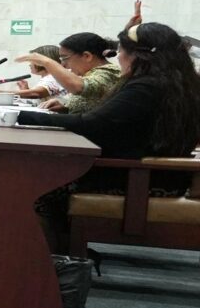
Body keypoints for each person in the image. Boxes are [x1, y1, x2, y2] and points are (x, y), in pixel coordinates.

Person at [20, 20, 200, 251]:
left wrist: (22, 117)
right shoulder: (182, 84)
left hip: (137, 178)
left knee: (36, 188)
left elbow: (93, 124)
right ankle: (65, 256)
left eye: (122, 51)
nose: (119, 58)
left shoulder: (146, 87)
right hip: (163, 176)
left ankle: (56, 269)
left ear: (138, 56)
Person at [27, 33, 121, 114]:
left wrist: (47, 62)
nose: (63, 64)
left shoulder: (109, 72)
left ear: (87, 56)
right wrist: (65, 108)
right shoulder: (90, 73)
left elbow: (81, 87)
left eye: (64, 58)